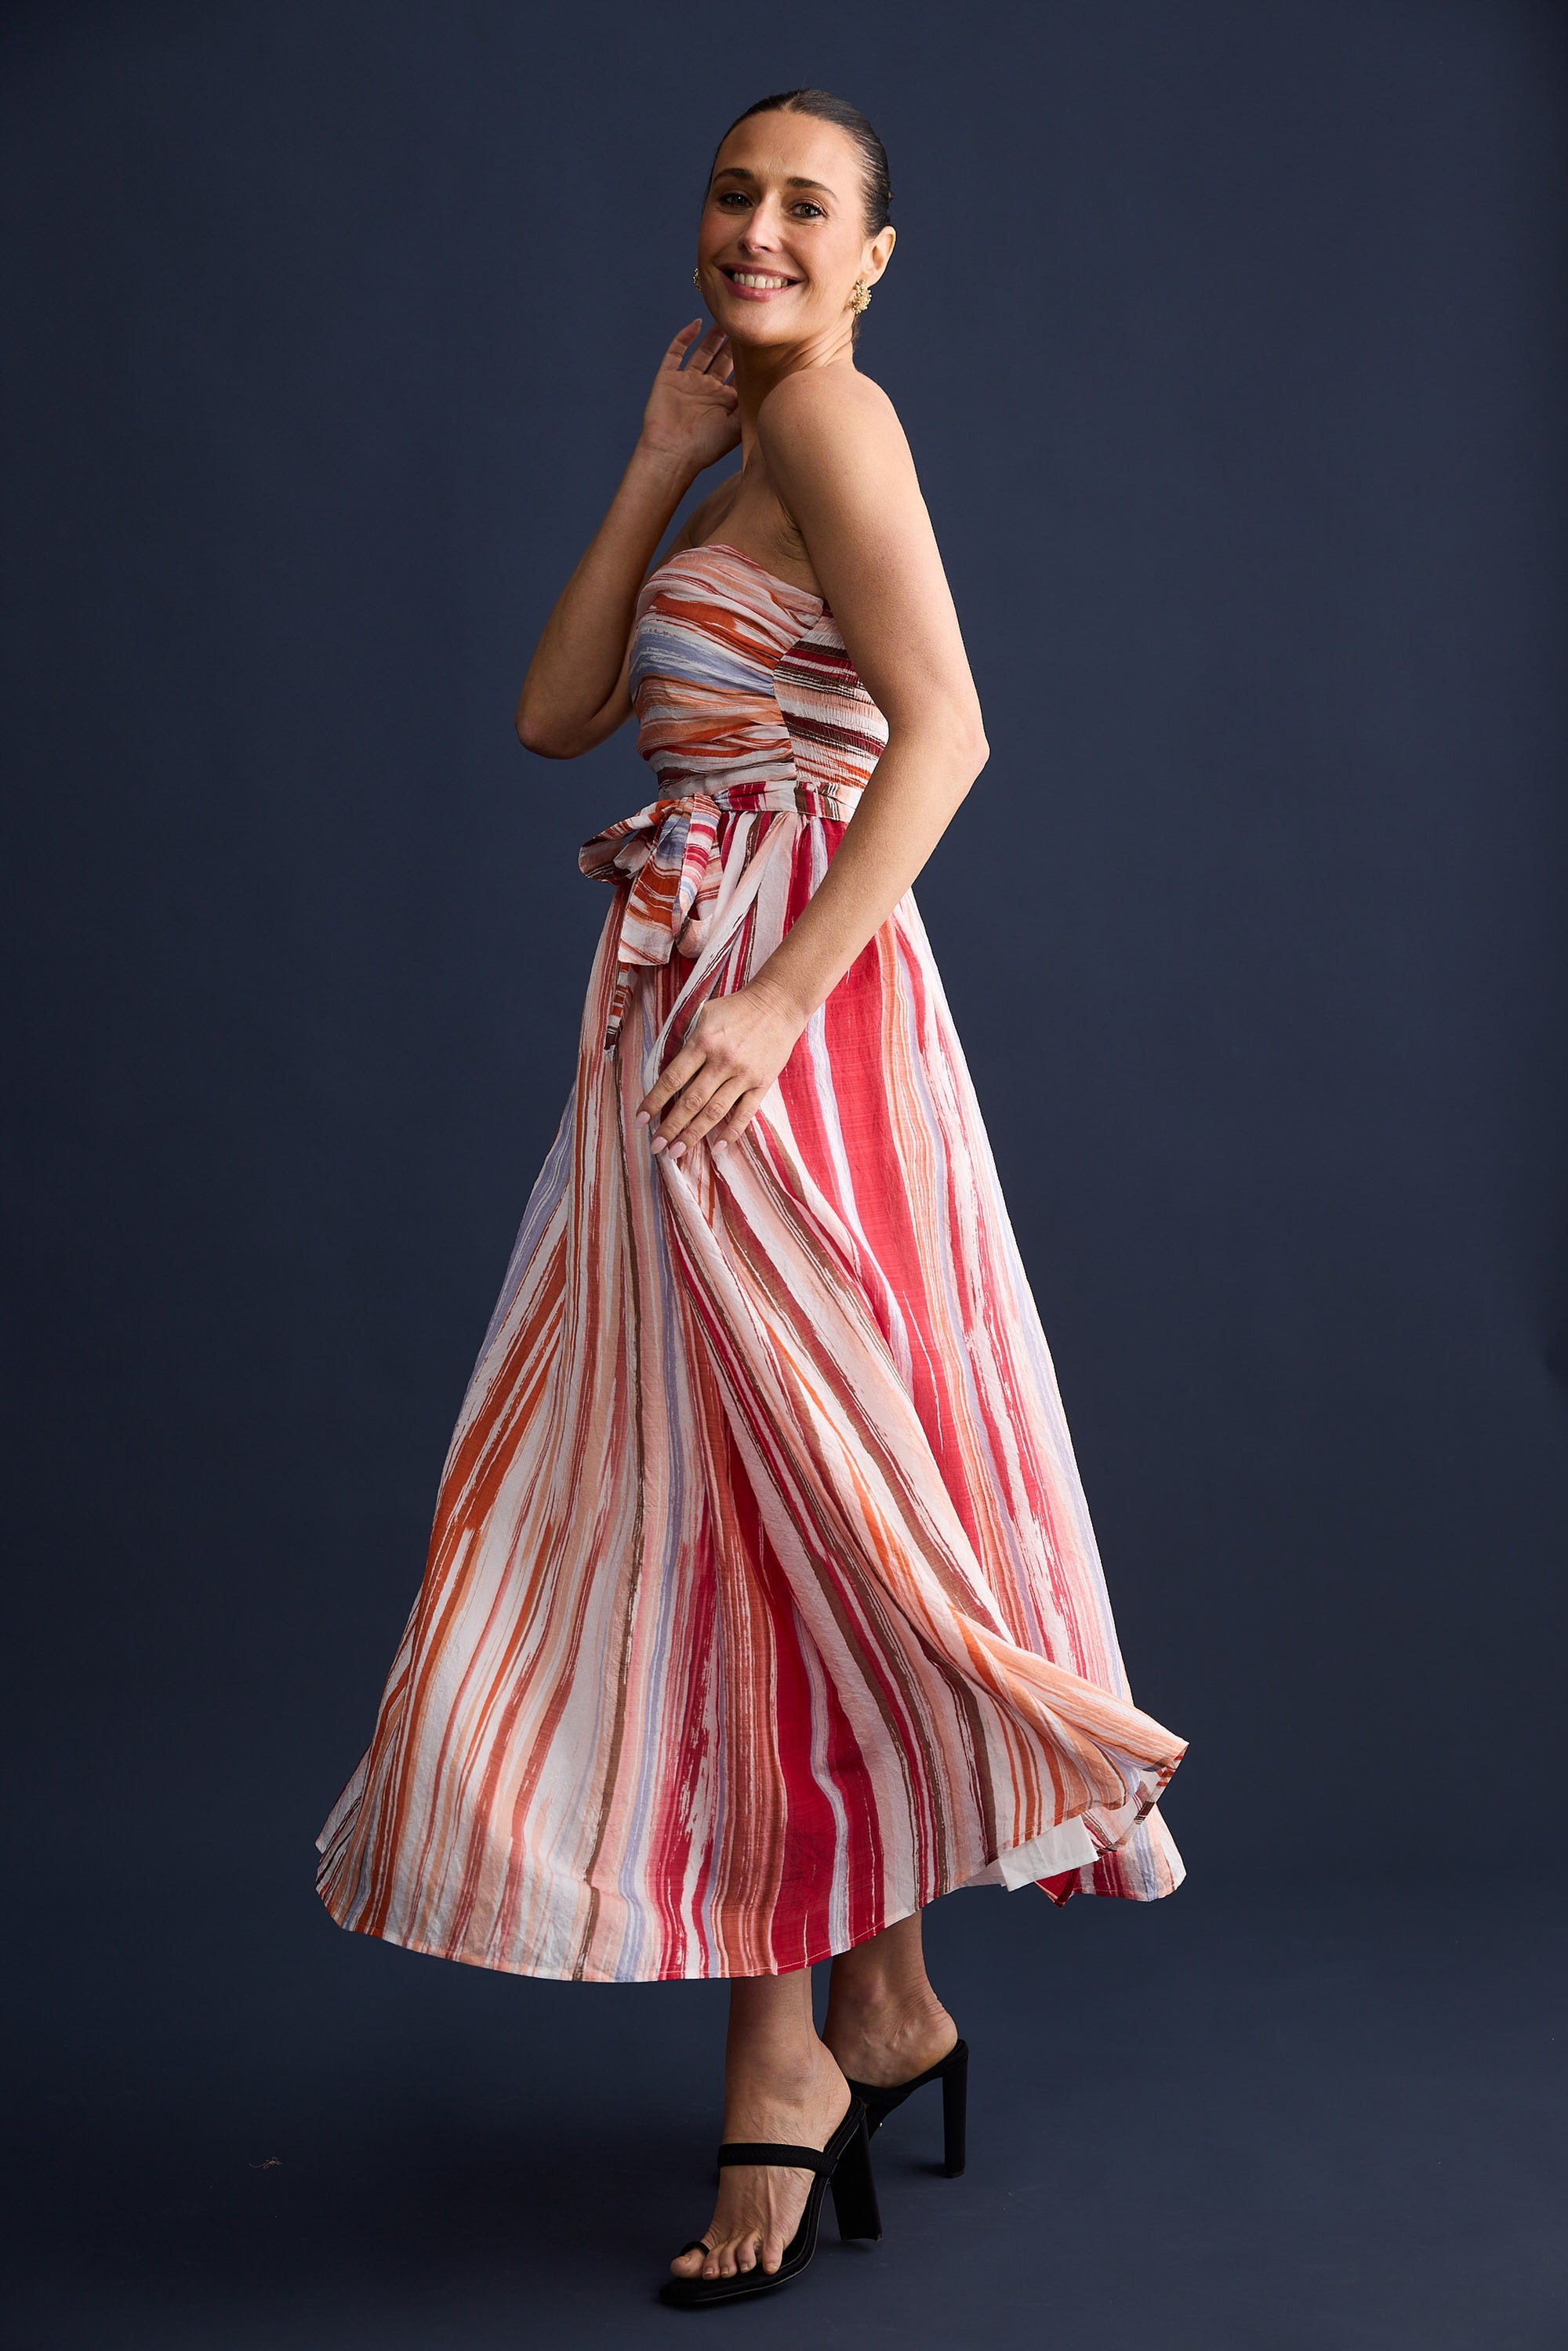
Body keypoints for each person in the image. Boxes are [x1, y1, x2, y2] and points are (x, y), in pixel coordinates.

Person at [316, 87, 1186, 2309]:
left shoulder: (841, 422)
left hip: (784, 1028)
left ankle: (782, 2063)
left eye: (811, 204)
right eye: (735, 192)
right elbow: (556, 715)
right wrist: (648, 458)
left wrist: (786, 995)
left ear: (880, 255)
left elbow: (947, 730)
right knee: (761, 1495)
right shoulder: (744, 449)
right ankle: (883, 2013)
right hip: (700, 1017)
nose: (760, 229)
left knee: (750, 1513)